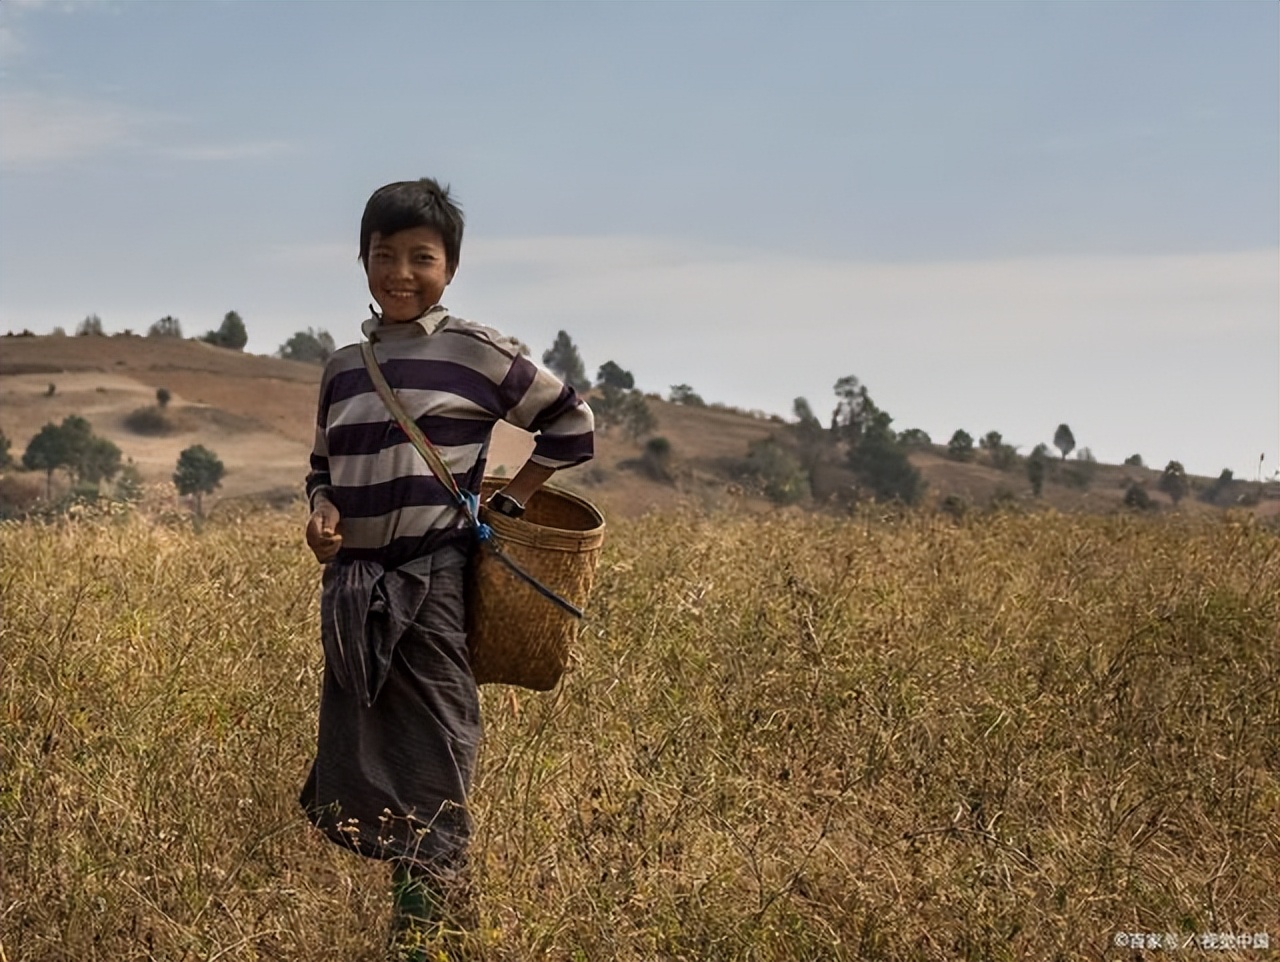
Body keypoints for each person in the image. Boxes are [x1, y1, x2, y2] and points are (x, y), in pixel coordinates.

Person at [300, 177, 594, 959]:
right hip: (354, 592)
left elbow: (573, 424)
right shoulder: (342, 366)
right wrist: (324, 516)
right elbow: (323, 468)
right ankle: (423, 922)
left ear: (451, 267)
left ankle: (430, 934)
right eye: (384, 254)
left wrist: (513, 501)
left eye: (421, 257)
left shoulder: (474, 350)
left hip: (431, 583)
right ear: (361, 260)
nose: (401, 271)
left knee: (434, 756)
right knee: (372, 761)